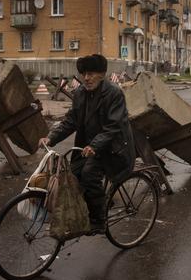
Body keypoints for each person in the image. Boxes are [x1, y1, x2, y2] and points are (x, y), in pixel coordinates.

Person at [38, 54, 136, 234]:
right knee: (69, 175)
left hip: (112, 148)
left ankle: (99, 220)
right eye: (84, 74)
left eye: (91, 74)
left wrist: (95, 146)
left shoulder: (114, 93)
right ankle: (90, 206)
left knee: (89, 174)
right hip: (89, 148)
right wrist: (51, 137)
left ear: (102, 74)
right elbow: (71, 121)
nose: (86, 78)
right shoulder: (81, 93)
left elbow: (113, 126)